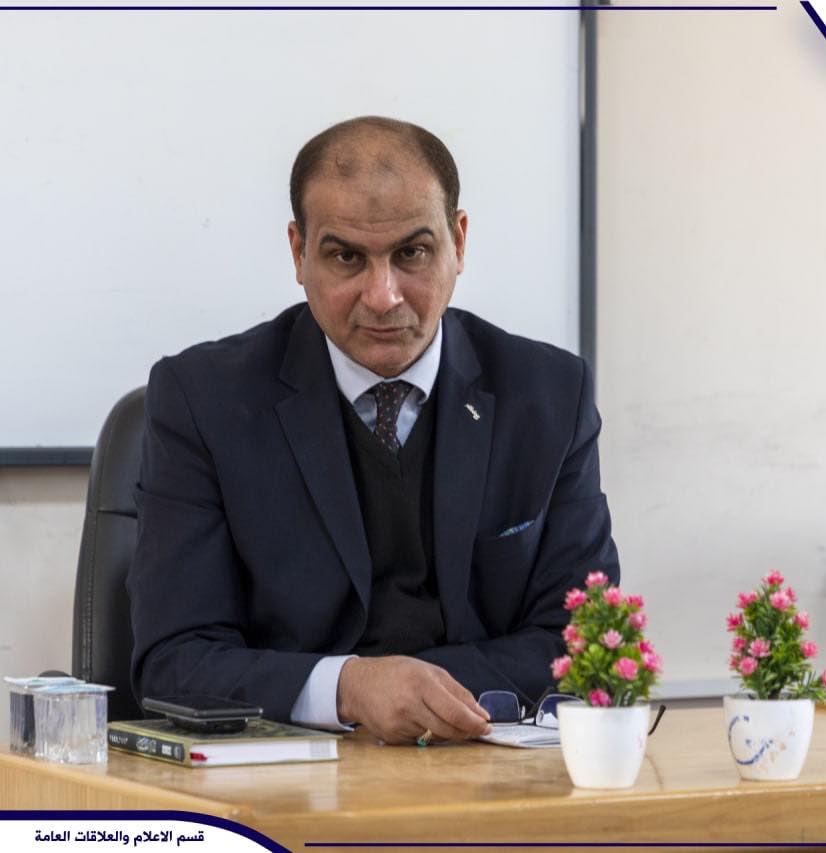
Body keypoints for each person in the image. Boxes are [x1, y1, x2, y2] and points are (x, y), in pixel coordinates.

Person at [127, 116, 619, 746]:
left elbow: (585, 648)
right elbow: (175, 661)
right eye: (346, 257)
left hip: (490, 768)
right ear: (298, 253)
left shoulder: (548, 396)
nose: (383, 297)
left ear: (458, 242)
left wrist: (419, 691)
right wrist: (348, 688)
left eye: (412, 253)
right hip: (286, 781)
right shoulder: (204, 400)